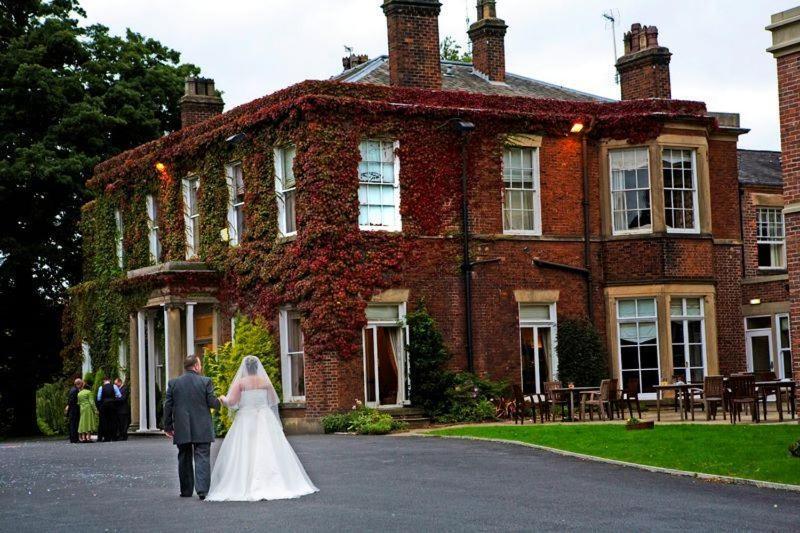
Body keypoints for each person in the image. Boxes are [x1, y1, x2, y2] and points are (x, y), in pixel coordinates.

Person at [206, 355, 318, 502]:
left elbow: (231, 402)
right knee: (268, 448)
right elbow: (272, 400)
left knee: (245, 450)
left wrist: (222, 398)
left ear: (245, 368)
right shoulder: (265, 382)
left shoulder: (241, 383)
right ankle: (274, 481)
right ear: (257, 368)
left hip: (246, 419)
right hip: (264, 417)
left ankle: (245, 481)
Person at [164, 355, 221, 500]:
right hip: (202, 426)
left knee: (184, 457)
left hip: (182, 426)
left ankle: (186, 491)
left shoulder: (173, 383)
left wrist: (168, 426)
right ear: (196, 366)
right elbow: (212, 403)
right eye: (200, 364)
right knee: (202, 456)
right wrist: (219, 401)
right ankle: (202, 490)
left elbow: (168, 406)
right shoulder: (205, 381)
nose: (200, 367)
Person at [97, 376, 121, 442]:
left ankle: (106, 437)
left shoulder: (101, 387)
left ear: (103, 381)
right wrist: (113, 398)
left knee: (105, 421)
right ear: (109, 380)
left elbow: (98, 398)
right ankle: (114, 437)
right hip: (112, 405)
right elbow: (119, 395)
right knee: (113, 421)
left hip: (104, 406)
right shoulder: (114, 386)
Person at [66, 378, 81, 443]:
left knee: (73, 424)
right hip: (74, 409)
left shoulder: (72, 389)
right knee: (74, 424)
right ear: (79, 384)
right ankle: (74, 438)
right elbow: (72, 400)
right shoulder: (75, 390)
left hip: (72, 409)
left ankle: (73, 438)